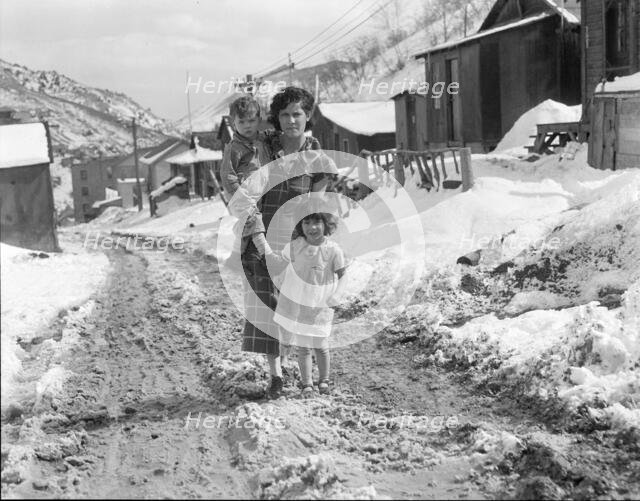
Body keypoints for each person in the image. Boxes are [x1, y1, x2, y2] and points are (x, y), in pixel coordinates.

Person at [222, 86, 338, 399]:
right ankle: (275, 377)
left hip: (295, 247)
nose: (290, 121)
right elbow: (242, 196)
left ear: (308, 116)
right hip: (260, 242)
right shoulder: (259, 148)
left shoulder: (315, 157)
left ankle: (309, 377)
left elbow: (319, 205)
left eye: (297, 114)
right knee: (267, 308)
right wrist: (262, 245)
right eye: (284, 114)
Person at [273, 207, 348, 397]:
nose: (312, 227)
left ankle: (324, 379)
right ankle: (306, 383)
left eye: (317, 222)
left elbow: (343, 276)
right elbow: (279, 263)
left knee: (321, 345)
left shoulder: (332, 250)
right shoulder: (295, 246)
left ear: (326, 225)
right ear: (300, 225)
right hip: (299, 305)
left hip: (321, 306)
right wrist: (279, 280)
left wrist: (337, 294)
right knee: (304, 346)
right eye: (306, 223)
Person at [219, 95, 271, 272]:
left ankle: (235, 257)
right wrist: (238, 195)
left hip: (258, 193)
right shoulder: (234, 148)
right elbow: (227, 175)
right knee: (252, 219)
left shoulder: (262, 140)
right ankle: (268, 255)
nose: (247, 125)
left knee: (248, 223)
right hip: (238, 193)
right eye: (241, 122)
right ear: (233, 123)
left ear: (259, 119)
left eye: (251, 120)